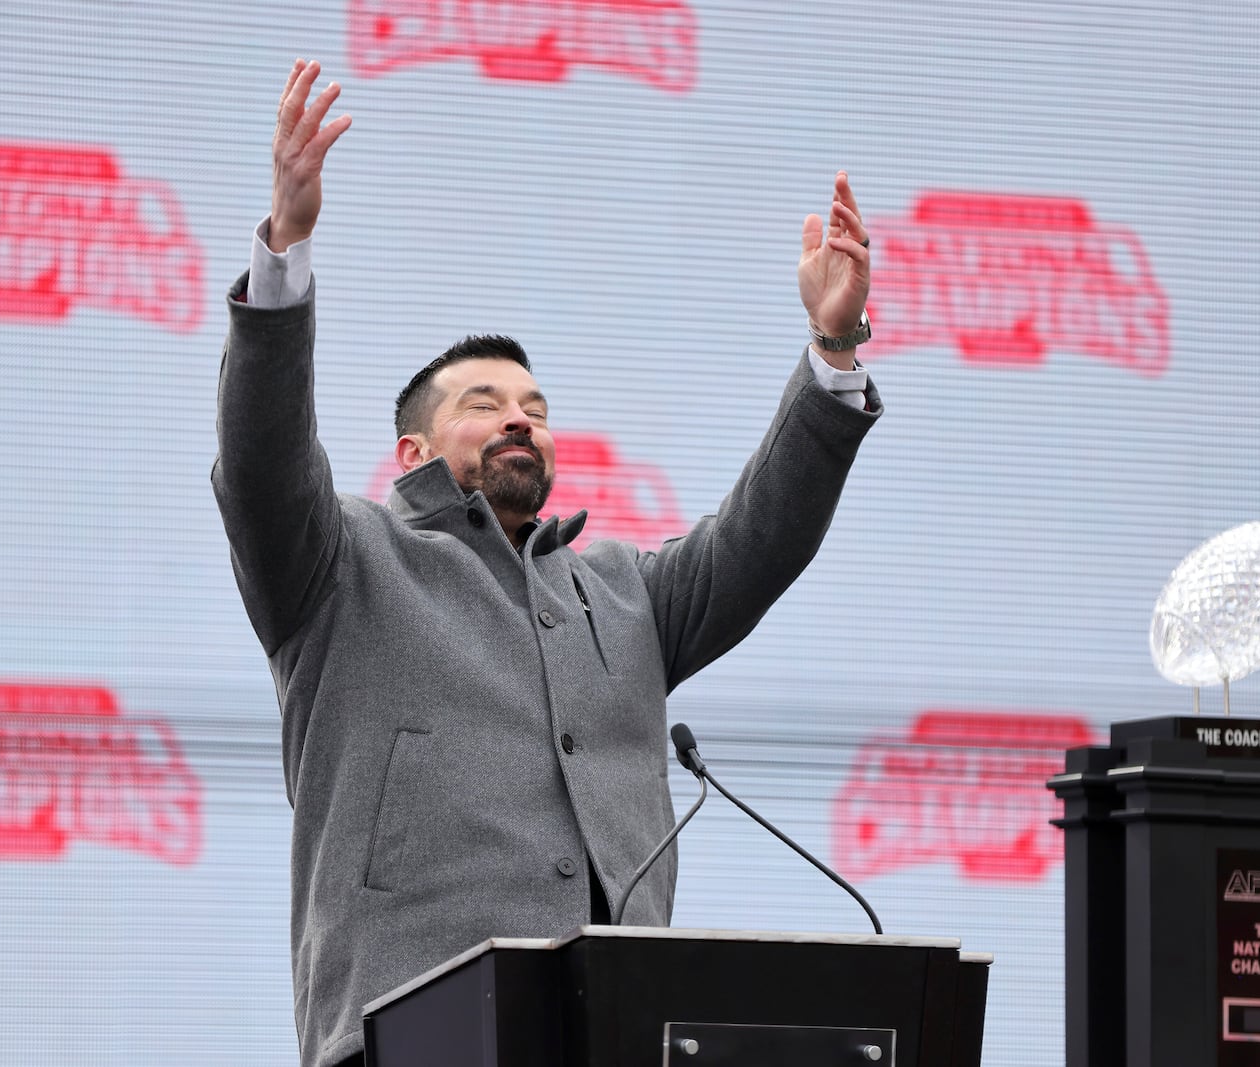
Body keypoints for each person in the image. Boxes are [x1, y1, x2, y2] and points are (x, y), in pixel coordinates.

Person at [213, 59, 883, 1067]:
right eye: (481, 401)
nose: (518, 413)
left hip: (615, 1029)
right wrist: (285, 254)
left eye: (534, 403)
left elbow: (762, 537)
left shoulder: (622, 591)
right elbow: (262, 466)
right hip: (406, 1034)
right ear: (411, 453)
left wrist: (833, 350)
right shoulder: (344, 564)